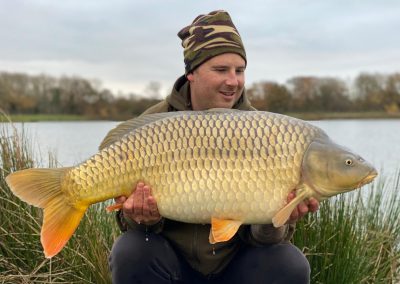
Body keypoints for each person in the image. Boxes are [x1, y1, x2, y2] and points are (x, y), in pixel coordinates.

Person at [108, 10, 319, 284]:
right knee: (131, 250)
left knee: (288, 263)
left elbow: (266, 240)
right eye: (221, 70)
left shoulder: (265, 132)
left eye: (239, 70)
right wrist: (143, 218)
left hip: (237, 267)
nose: (233, 81)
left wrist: (275, 219)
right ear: (192, 73)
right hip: (172, 265)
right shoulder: (153, 125)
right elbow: (129, 224)